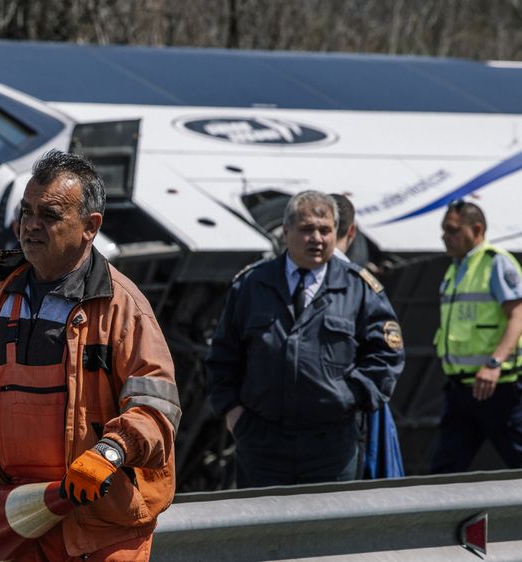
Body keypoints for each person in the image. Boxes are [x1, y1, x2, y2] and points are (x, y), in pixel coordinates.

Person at [0, 150, 180, 561]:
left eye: (49, 215)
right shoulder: (1, 291)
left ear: (90, 227)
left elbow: (156, 410)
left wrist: (109, 453)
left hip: (98, 528)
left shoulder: (122, 307)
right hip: (16, 518)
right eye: (27, 212)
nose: (31, 226)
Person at [206, 190, 404, 487]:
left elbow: (386, 357)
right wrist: (233, 413)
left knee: (328, 531)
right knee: (261, 529)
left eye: (325, 230)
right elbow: (223, 356)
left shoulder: (359, 289)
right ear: (286, 232)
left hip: (332, 446)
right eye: (307, 229)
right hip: (262, 442)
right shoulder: (252, 285)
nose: (317, 238)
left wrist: (351, 397)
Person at [431, 200, 522, 473]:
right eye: (444, 231)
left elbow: (518, 315)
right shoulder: (455, 268)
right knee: (443, 474)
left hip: (498, 389)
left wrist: (493, 364)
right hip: (461, 391)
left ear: (477, 229)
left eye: (452, 230)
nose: (445, 237)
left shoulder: (495, 263)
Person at [330, 193, 405, 479]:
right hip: (350, 418)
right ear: (351, 231)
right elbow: (386, 358)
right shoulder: (361, 283)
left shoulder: (271, 279)